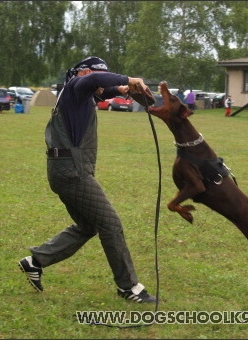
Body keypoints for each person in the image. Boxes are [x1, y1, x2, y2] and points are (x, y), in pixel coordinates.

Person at [18, 56, 156, 303]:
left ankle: (36, 261)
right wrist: (129, 79)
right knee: (111, 224)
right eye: (97, 78)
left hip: (67, 170)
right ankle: (128, 287)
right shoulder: (77, 86)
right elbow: (94, 80)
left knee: (87, 226)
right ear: (84, 74)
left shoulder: (79, 94)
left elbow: (101, 88)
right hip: (73, 172)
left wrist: (122, 88)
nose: (100, 87)